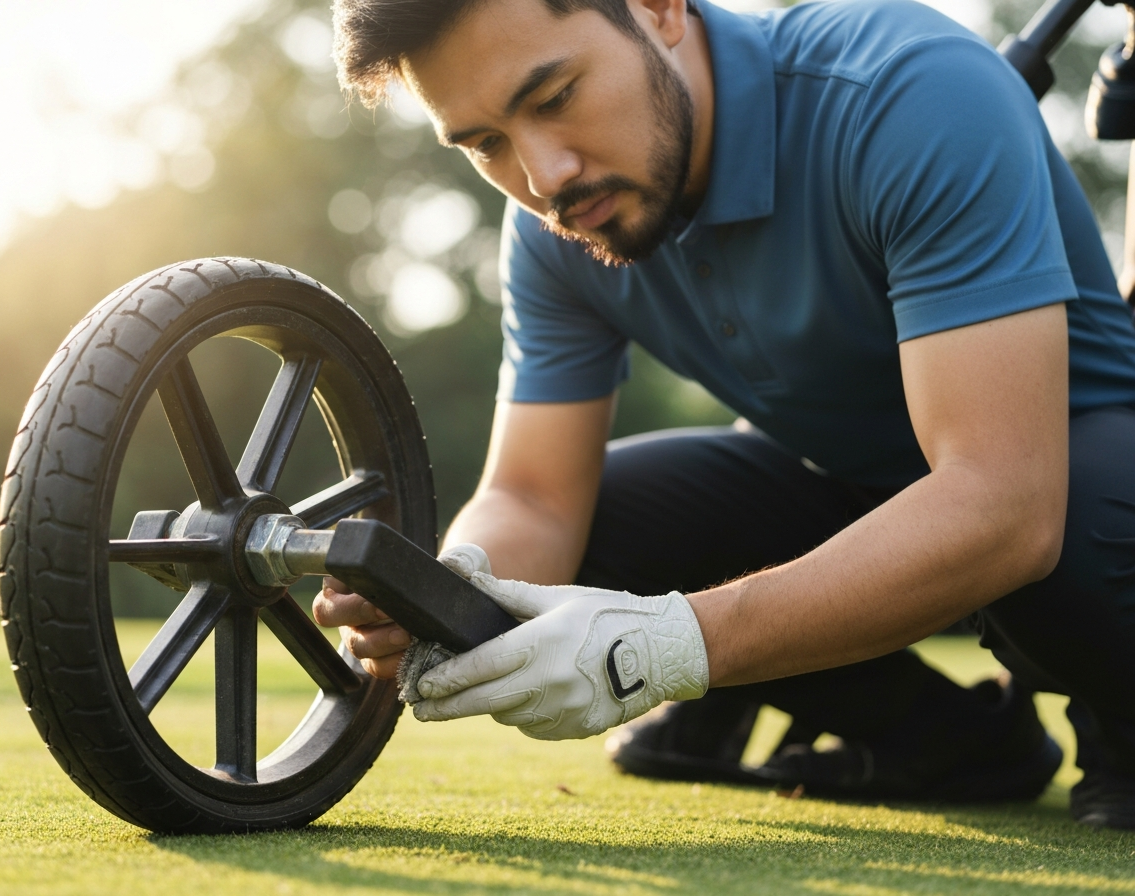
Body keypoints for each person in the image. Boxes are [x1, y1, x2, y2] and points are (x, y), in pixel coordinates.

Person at [318, 0, 1135, 829]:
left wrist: (664, 646)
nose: (543, 176)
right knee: (596, 535)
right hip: (859, 493)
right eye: (486, 142)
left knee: (1081, 533)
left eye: (555, 96)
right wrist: (448, 596)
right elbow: (532, 497)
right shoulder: (553, 228)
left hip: (1066, 491)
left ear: (659, 9)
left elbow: (1006, 504)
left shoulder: (909, 89)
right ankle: (949, 741)